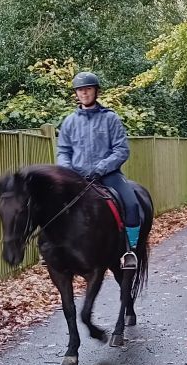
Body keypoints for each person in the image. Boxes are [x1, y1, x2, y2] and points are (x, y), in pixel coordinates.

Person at [57, 71, 141, 269]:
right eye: (80, 90)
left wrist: (100, 168)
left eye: (88, 89)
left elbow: (121, 150)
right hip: (76, 177)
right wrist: (68, 172)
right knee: (51, 205)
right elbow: (63, 151)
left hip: (108, 175)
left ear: (96, 92)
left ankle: (130, 250)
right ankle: (54, 250)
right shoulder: (69, 122)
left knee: (131, 204)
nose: (84, 93)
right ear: (76, 94)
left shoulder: (110, 119)